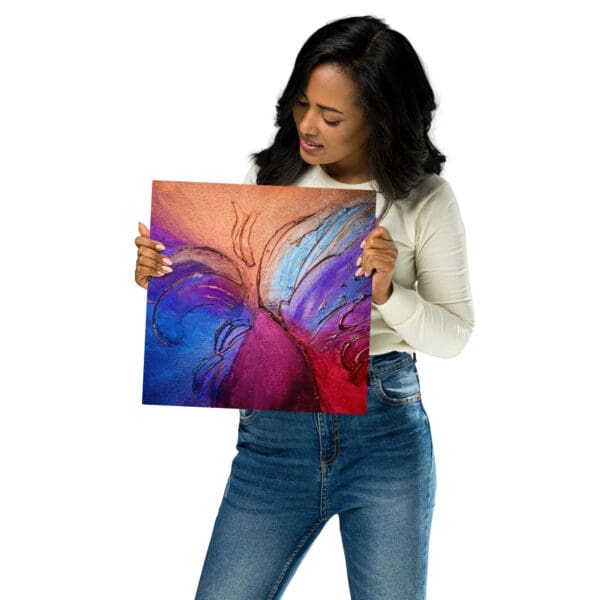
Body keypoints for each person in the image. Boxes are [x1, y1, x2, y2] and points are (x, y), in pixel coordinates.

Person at [134, 15, 474, 600]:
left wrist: (388, 293)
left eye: (331, 115)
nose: (307, 126)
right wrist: (165, 278)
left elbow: (455, 336)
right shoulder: (270, 178)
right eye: (301, 105)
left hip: (386, 438)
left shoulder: (425, 199)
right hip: (273, 445)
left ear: (381, 118)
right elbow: (234, 315)